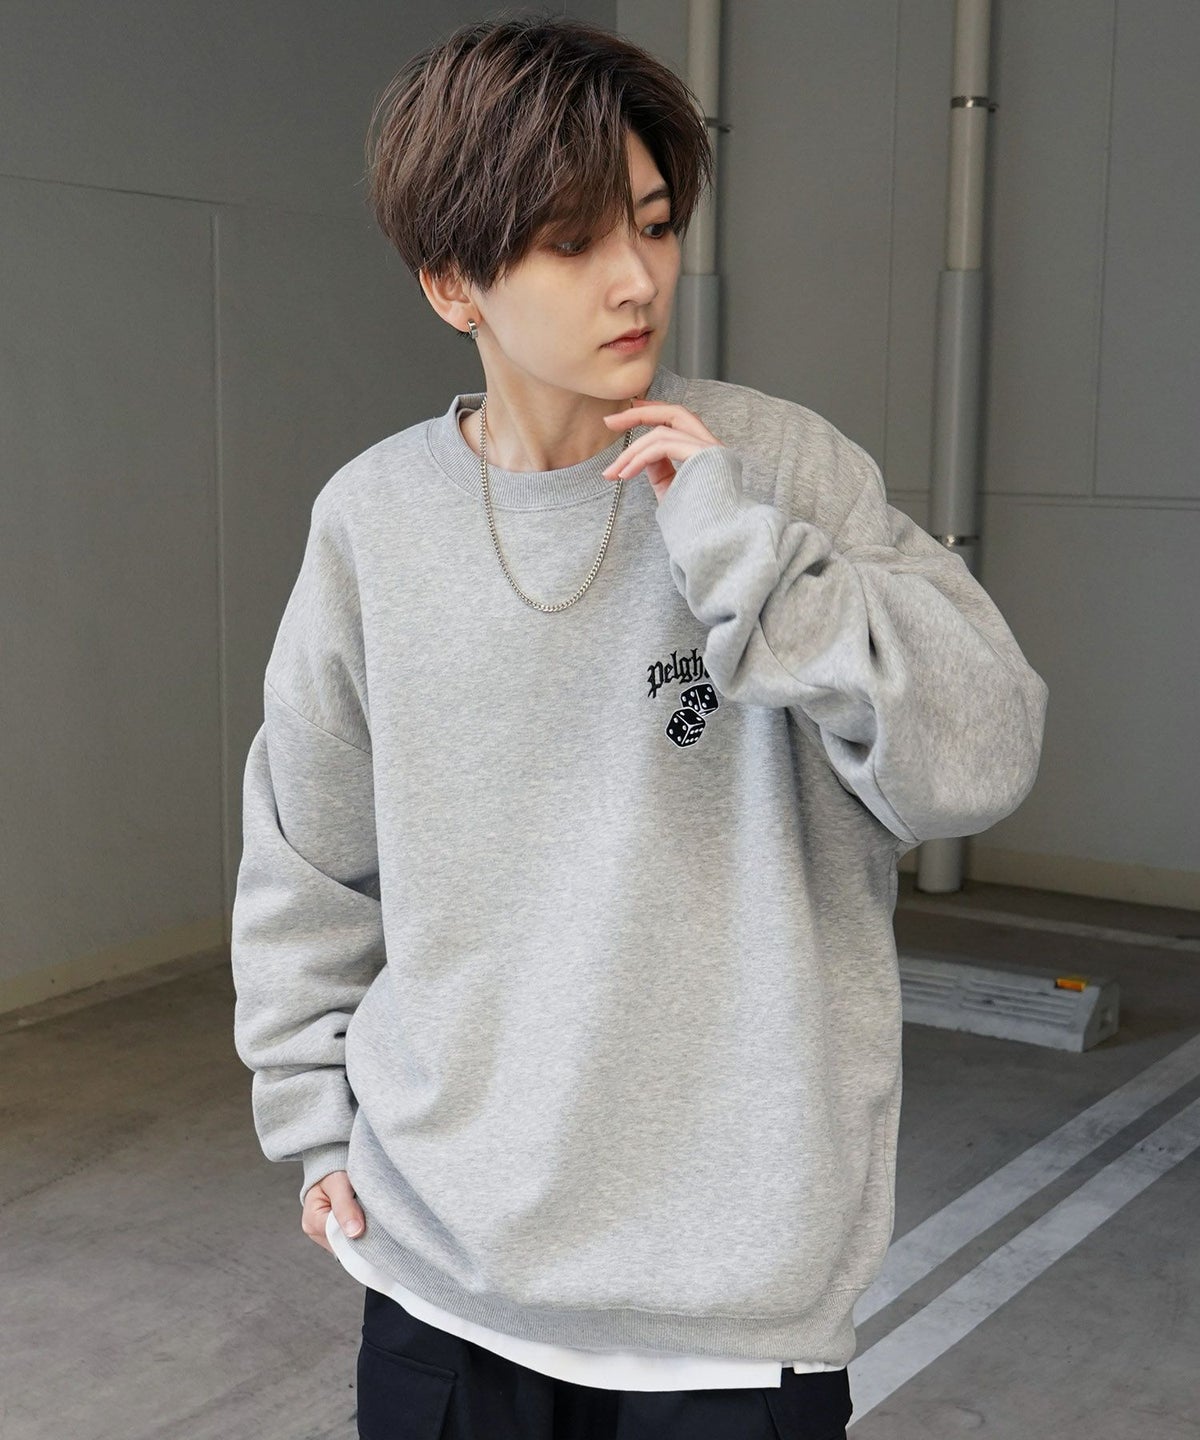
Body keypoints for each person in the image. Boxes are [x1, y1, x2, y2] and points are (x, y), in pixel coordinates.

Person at [230, 12, 1049, 1439]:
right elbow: (309, 856)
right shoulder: (375, 519)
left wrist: (751, 561)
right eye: (571, 241)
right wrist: (310, 1117)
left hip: (728, 1316)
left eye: (656, 225)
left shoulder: (780, 468)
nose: (637, 278)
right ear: (451, 284)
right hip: (441, 1278)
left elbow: (982, 756)